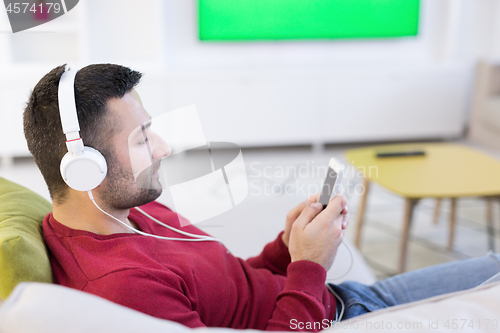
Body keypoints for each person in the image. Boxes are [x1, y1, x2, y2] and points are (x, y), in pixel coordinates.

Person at [23, 64, 500, 332]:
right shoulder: (123, 287)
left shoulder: (130, 207)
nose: (165, 148)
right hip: (337, 319)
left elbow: (228, 289)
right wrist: (311, 266)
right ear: (85, 167)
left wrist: (287, 248)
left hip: (340, 297)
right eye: (144, 138)